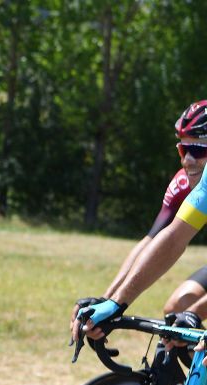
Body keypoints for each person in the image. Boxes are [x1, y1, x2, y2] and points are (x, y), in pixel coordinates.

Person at [73, 100, 207, 341]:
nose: (187, 160)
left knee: (191, 317)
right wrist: (110, 302)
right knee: (178, 311)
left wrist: (196, 313)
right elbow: (161, 239)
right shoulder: (185, 184)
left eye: (197, 151)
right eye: (182, 150)